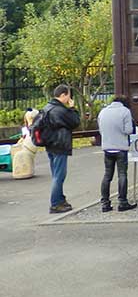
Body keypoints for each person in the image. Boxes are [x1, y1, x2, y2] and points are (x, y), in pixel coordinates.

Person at [43, 84, 81, 213]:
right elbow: (75, 122)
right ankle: (55, 203)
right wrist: (72, 108)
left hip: (50, 144)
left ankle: (60, 199)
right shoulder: (60, 110)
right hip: (60, 145)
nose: (69, 99)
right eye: (68, 96)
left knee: (56, 174)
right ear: (63, 95)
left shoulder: (47, 107)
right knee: (59, 175)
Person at [97, 95, 137, 212]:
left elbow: (100, 130)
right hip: (120, 148)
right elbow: (128, 130)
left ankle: (105, 204)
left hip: (107, 148)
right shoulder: (125, 111)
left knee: (107, 175)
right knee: (122, 174)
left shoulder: (103, 112)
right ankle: (122, 202)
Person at [11, 108, 39, 179]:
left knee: (19, 153)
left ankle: (22, 169)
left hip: (27, 147)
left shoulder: (33, 128)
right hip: (27, 145)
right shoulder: (27, 129)